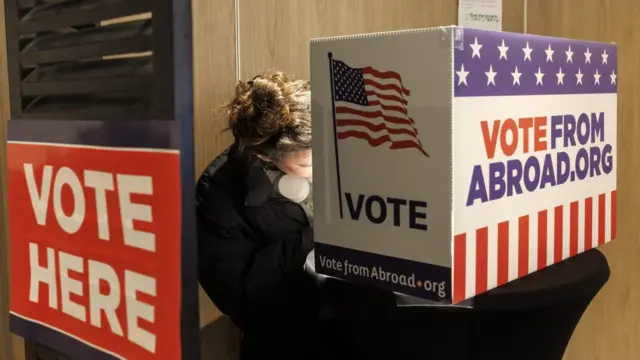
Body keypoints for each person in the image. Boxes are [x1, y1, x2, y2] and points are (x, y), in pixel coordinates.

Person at [196, 71, 323, 359]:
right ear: (266, 155)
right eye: (308, 163)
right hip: (287, 342)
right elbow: (239, 298)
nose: (324, 168)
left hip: (358, 329)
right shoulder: (219, 194)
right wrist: (311, 241)